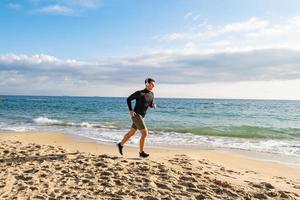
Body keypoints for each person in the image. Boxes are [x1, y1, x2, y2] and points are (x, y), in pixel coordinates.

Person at [117, 78, 156, 158]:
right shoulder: (139, 93)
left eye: (154, 84)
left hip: (142, 116)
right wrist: (131, 110)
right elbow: (128, 99)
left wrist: (153, 105)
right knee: (145, 133)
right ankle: (141, 153)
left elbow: (150, 104)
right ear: (147, 84)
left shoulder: (152, 94)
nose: (153, 85)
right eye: (152, 84)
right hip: (136, 115)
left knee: (131, 133)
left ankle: (120, 145)